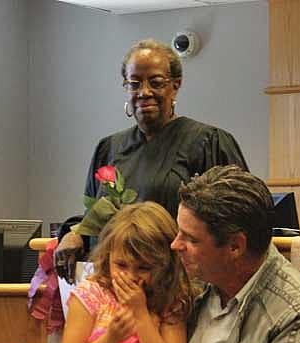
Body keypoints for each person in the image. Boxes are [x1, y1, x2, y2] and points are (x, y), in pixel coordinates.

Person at [55, 38, 248, 283]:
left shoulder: (208, 142)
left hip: (181, 284)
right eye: (134, 83)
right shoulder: (109, 149)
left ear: (175, 86)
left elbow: (239, 220)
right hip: (118, 283)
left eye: (156, 82)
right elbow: (94, 215)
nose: (144, 92)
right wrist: (75, 234)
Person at [171, 165, 300, 343]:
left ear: (235, 247)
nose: (175, 245)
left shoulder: (299, 316)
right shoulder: (193, 283)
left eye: (191, 239)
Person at [59, 202, 196, 343]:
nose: (130, 276)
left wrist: (140, 313)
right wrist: (110, 340)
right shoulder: (90, 295)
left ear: (164, 265)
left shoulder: (170, 302)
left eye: (143, 268)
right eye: (121, 265)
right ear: (108, 255)